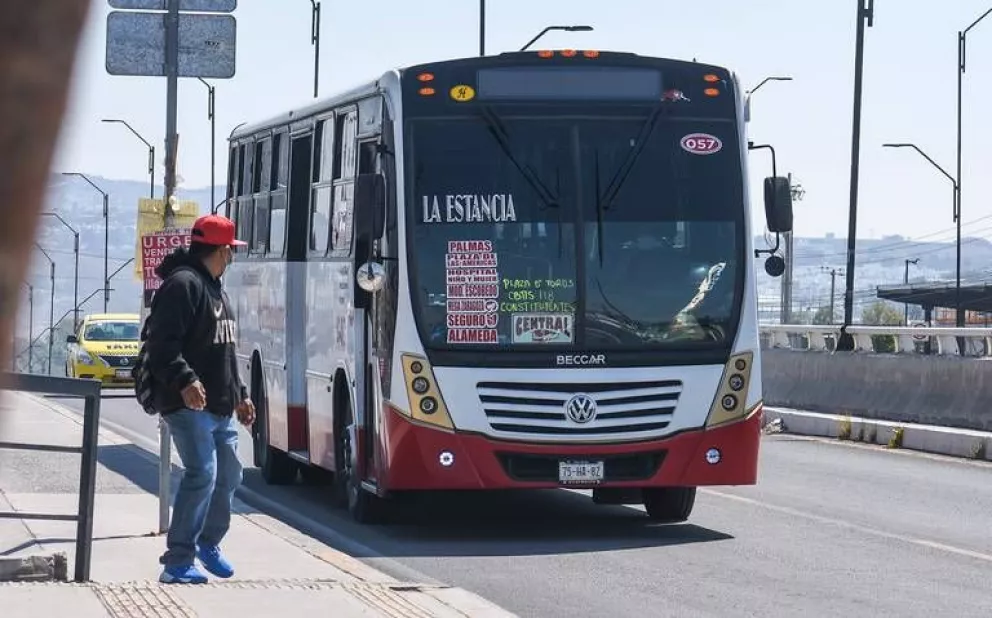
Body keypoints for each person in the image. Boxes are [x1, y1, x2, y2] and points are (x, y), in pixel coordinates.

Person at [144, 214, 255, 585]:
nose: (232, 257)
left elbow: (224, 350)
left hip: (220, 406)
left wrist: (241, 395)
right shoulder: (183, 286)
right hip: (188, 405)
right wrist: (186, 380)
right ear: (223, 250)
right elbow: (161, 345)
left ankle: (208, 543)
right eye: (231, 251)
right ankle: (177, 561)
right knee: (201, 474)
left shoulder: (214, 288)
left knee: (229, 474)